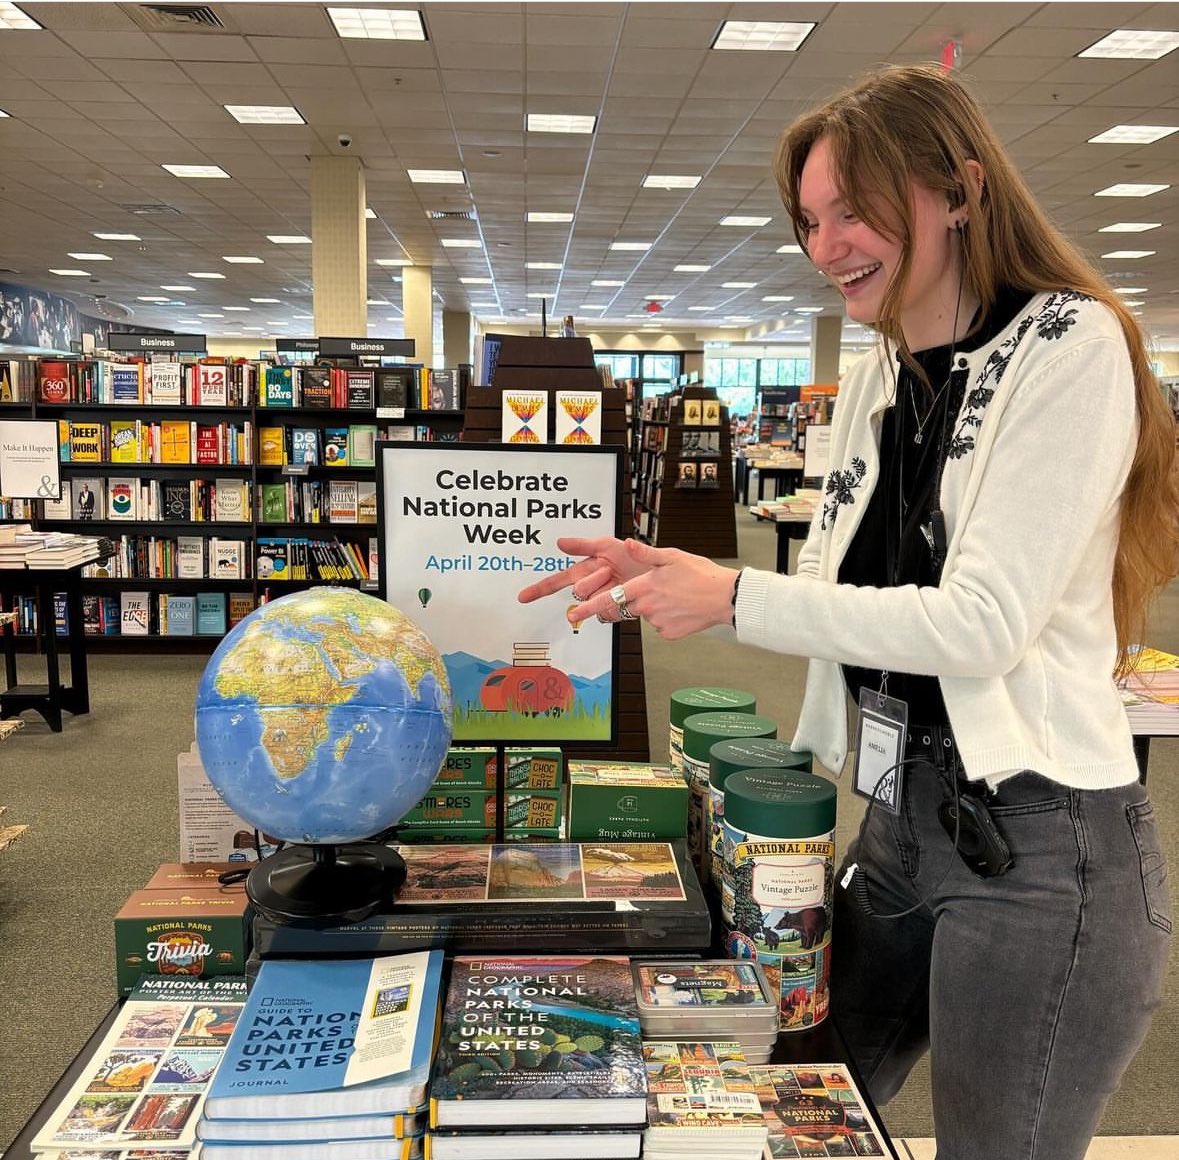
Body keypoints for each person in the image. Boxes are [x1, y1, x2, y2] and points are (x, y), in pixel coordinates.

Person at [519, 64, 1177, 1160]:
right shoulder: (879, 375)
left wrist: (731, 592)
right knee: (790, 1102)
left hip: (1043, 842)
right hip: (900, 819)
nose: (827, 245)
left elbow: (980, 623)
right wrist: (677, 571)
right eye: (811, 221)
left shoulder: (1072, 345)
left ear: (960, 190)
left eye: (855, 210)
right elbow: (837, 593)